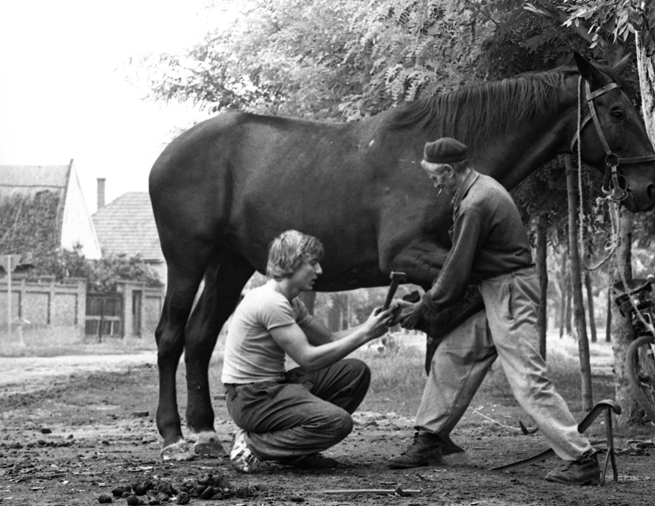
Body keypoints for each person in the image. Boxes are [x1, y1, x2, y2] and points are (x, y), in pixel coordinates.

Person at [391, 137, 600, 486]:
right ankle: (429, 439)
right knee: (453, 354)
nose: (434, 183)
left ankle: (581, 458)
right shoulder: (476, 190)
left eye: (435, 176)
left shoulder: (477, 202)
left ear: (448, 170)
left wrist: (424, 306)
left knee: (527, 379)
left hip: (509, 291)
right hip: (498, 288)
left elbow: (457, 270)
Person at [224, 230, 395, 473]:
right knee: (338, 422)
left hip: (270, 388)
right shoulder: (270, 302)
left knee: (354, 373)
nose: (319, 271)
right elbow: (308, 358)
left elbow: (329, 338)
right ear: (291, 263)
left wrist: (373, 324)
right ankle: (251, 446)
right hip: (252, 399)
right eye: (313, 263)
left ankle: (296, 452)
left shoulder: (289, 301)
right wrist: (366, 333)